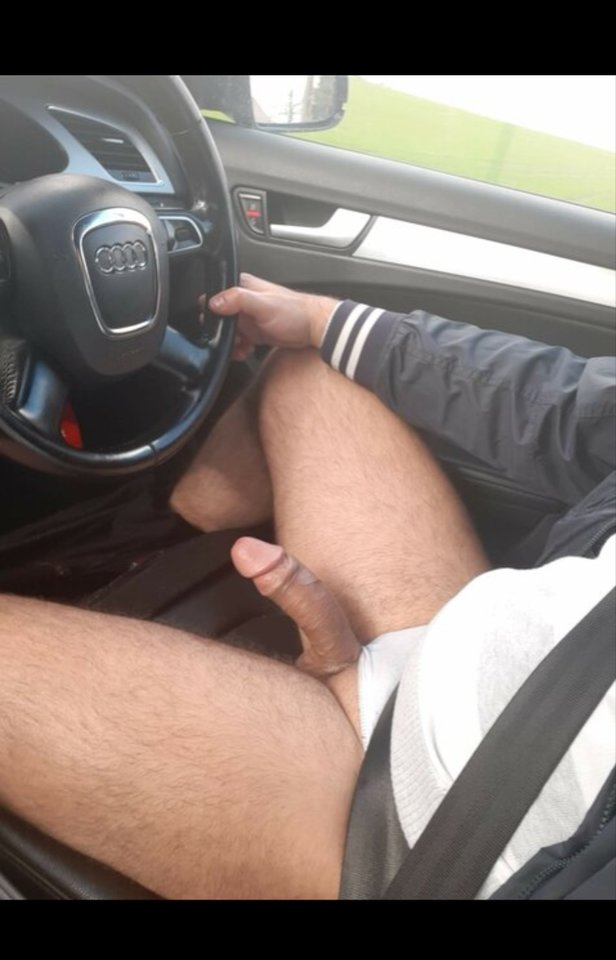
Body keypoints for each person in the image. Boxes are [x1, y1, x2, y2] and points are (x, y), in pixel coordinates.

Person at [0, 275, 614, 899]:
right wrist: (325, 321)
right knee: (312, 363)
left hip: (442, 839)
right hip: (494, 645)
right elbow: (590, 413)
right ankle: (145, 543)